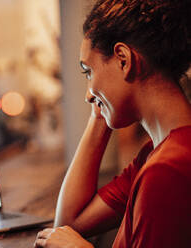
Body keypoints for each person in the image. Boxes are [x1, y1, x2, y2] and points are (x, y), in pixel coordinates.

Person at [34, 0, 191, 247]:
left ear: (123, 60)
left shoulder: (167, 169)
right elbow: (69, 222)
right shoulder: (155, 153)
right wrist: (101, 111)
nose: (88, 94)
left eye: (88, 72)